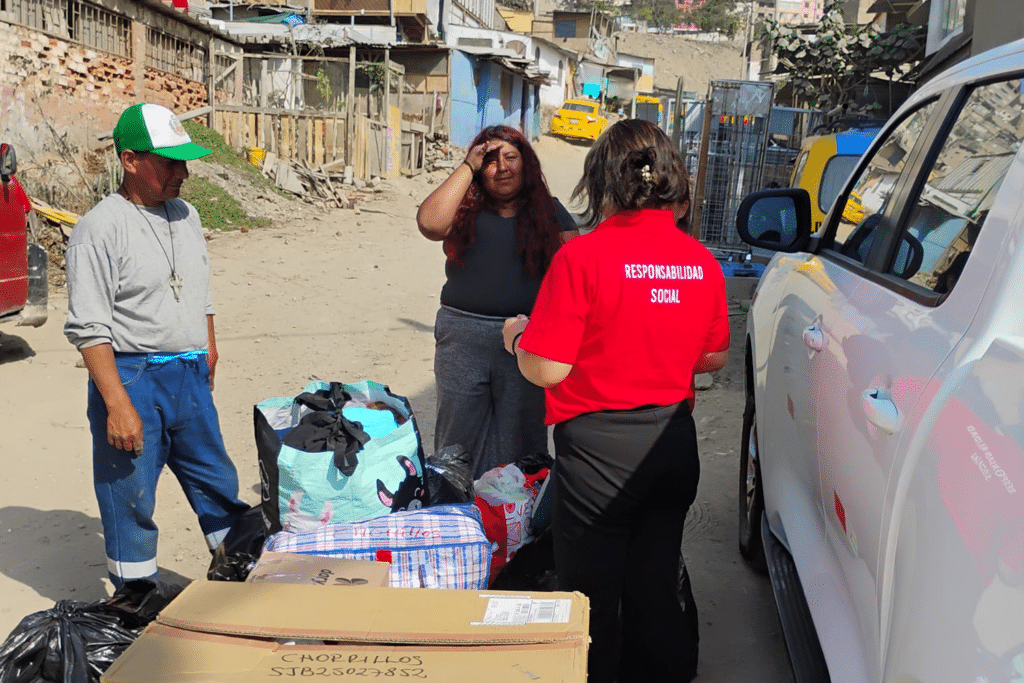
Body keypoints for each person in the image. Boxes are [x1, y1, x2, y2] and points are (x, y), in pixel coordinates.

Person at [501, 119, 730, 683]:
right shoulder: (700, 262)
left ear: (603, 180)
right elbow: (713, 357)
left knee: (590, 599)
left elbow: (548, 366)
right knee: (655, 585)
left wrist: (517, 339)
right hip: (672, 445)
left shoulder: (584, 258)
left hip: (599, 455)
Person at [64, 103, 248, 589]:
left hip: (188, 375)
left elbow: (199, 288)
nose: (183, 173)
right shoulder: (99, 229)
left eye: (185, 161)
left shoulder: (186, 215)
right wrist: (117, 404)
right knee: (131, 498)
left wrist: (208, 347)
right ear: (130, 160)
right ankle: (134, 601)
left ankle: (240, 573)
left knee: (217, 482)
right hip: (133, 378)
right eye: (170, 163)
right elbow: (89, 329)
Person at [416, 125, 577, 478]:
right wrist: (467, 167)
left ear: (527, 164)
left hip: (524, 341)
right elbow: (429, 223)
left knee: (521, 439)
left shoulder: (550, 212)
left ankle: (517, 523)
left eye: (511, 157)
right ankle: (454, 513)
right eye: (489, 160)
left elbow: (573, 277)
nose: (502, 167)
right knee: (456, 438)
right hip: (462, 336)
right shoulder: (463, 208)